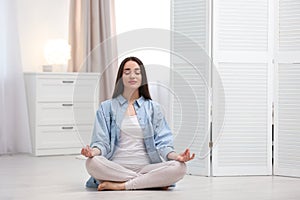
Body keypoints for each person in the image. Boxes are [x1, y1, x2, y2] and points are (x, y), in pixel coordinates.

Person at [81, 56, 195, 191]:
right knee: (92, 163)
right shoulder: (106, 107)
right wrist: (92, 152)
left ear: (142, 78)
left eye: (137, 72)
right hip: (115, 167)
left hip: (146, 166)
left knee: (180, 167)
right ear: (120, 77)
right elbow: (102, 142)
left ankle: (121, 185)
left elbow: (163, 144)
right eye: (127, 72)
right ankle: (150, 182)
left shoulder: (154, 108)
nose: (132, 76)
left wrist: (178, 156)